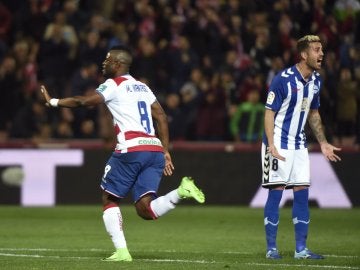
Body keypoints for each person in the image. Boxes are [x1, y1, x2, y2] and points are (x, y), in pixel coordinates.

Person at [40, 45, 205, 262]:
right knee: (145, 209)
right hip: (154, 149)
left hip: (131, 149)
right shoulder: (143, 87)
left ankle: (122, 252)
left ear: (118, 64)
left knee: (109, 198)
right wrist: (165, 150)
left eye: (107, 60)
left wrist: (53, 102)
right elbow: (162, 117)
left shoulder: (113, 84)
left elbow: (84, 102)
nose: (104, 63)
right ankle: (181, 192)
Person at [262, 35, 341, 260]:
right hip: (278, 143)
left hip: (299, 145)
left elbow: (314, 114)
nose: (321, 54)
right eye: (317, 50)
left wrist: (323, 142)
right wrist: (271, 145)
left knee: (302, 194)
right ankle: (271, 249)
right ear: (304, 54)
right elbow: (269, 113)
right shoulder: (283, 79)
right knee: (276, 193)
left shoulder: (316, 81)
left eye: (322, 50)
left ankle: (301, 250)